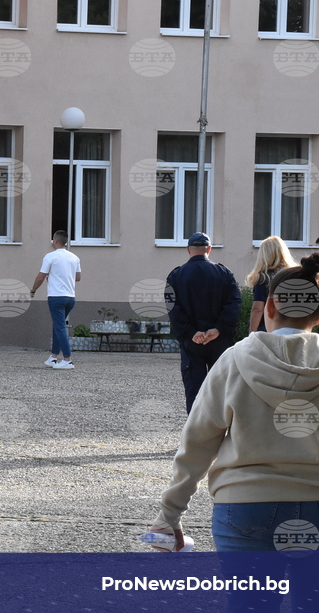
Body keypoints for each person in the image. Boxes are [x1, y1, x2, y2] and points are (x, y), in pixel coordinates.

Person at [149, 254, 319, 612]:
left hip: (244, 506)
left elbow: (198, 441)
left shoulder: (234, 359)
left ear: (269, 306)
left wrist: (169, 514)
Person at [166, 232, 242, 414]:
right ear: (209, 249)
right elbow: (234, 304)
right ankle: (221, 427)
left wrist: (191, 332)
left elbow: (173, 308)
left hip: (192, 342)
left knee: (195, 391)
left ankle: (196, 427)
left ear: (188, 250)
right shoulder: (224, 273)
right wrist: (218, 329)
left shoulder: (176, 276)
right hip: (219, 341)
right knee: (221, 389)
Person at [29, 230, 82, 370]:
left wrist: (33, 290)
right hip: (70, 297)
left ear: (56, 241)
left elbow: (41, 276)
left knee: (60, 327)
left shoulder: (50, 256)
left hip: (56, 297)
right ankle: (53, 357)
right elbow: (78, 277)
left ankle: (68, 360)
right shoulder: (74, 258)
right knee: (58, 326)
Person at [246, 235, 296, 333]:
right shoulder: (294, 275)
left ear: (264, 255)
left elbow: (258, 309)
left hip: (267, 329)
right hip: (292, 328)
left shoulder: (263, 277)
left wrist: (252, 333)